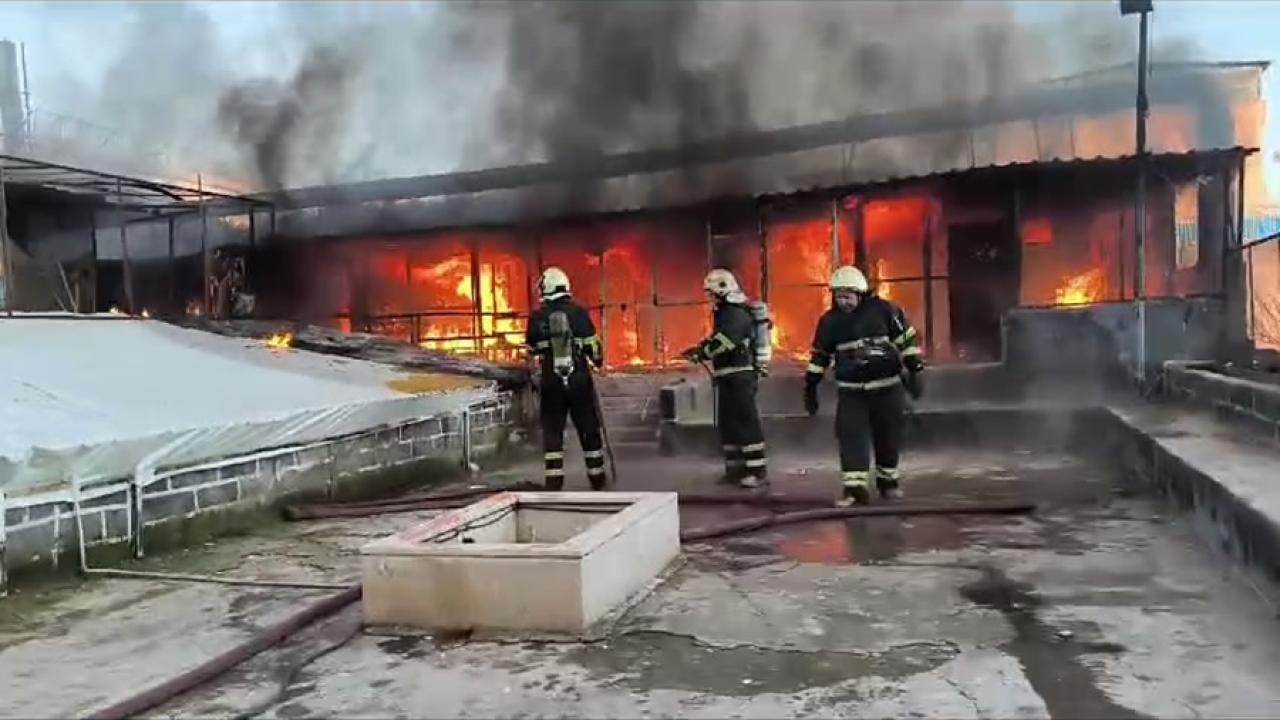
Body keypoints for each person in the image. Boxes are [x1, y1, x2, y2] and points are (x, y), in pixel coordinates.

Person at [804, 265, 924, 506]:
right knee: (851, 439)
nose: (843, 302)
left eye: (847, 296)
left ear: (860, 293)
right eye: (839, 297)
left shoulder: (885, 311)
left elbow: (907, 342)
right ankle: (854, 490)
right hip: (852, 393)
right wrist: (811, 385)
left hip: (887, 389)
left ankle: (888, 484)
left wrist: (915, 369)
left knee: (888, 438)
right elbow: (820, 357)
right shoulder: (829, 322)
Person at [682, 268, 768, 488]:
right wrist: (699, 348)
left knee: (745, 422)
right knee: (729, 424)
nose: (709, 298)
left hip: (740, 375)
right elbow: (718, 339)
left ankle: (757, 471)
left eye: (711, 293)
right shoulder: (724, 313)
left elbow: (726, 341)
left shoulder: (735, 313)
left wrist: (701, 352)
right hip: (728, 377)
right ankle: (735, 470)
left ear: (723, 291)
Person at [525, 266, 609, 490]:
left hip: (551, 381)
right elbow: (594, 348)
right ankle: (597, 478)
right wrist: (598, 361)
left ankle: (554, 481)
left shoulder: (536, 317)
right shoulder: (579, 313)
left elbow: (532, 350)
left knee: (553, 429)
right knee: (588, 426)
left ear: (545, 289)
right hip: (579, 379)